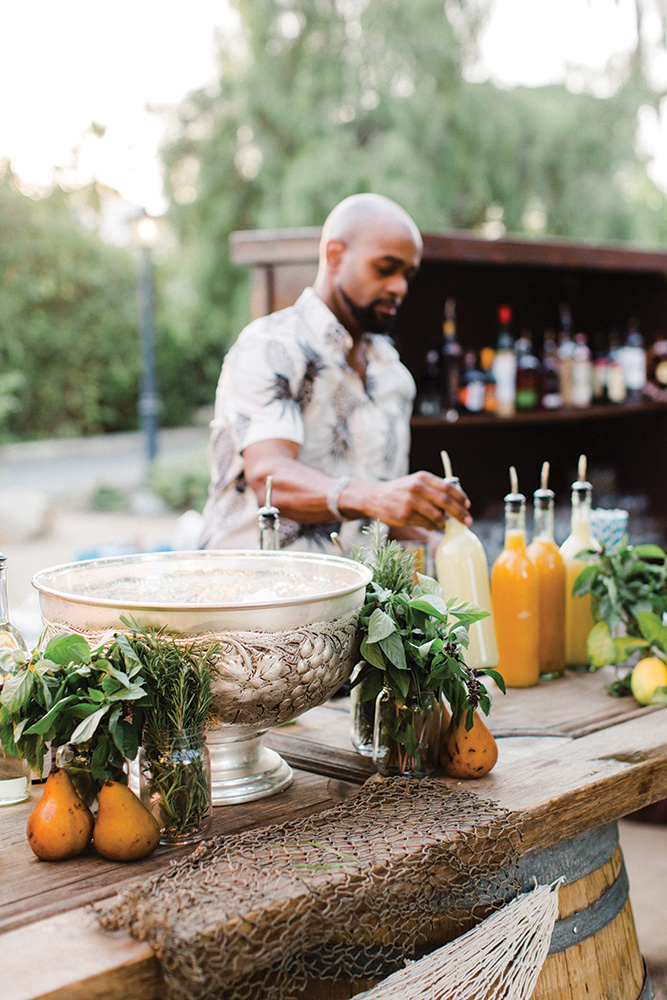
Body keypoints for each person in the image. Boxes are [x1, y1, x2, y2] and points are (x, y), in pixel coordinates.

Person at [199, 192, 471, 554]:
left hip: (353, 602)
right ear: (335, 256)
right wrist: (376, 496)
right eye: (385, 268)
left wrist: (447, 545)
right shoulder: (271, 345)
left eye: (408, 274)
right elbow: (269, 477)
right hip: (252, 594)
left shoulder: (393, 376)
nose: (400, 287)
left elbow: (377, 516)